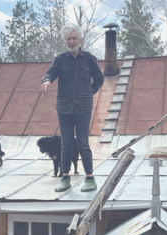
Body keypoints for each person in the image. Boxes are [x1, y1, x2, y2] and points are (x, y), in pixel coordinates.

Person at [41, 24, 104, 192]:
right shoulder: (60, 59)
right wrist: (46, 81)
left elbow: (99, 78)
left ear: (80, 39)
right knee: (66, 144)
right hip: (64, 107)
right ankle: (65, 178)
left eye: (74, 38)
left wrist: (89, 92)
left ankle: (90, 178)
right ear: (65, 41)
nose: (71, 41)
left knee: (83, 143)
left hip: (83, 107)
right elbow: (50, 73)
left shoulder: (89, 59)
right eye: (68, 39)